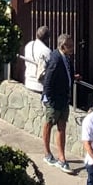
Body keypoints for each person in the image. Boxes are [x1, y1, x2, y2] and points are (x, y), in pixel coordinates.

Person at [39, 34, 75, 170]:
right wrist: (48, 98)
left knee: (62, 126)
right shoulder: (55, 59)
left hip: (64, 98)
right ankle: (47, 153)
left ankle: (61, 157)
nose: (72, 48)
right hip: (54, 99)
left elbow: (68, 72)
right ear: (63, 46)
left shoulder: (67, 58)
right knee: (49, 124)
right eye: (69, 46)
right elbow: (48, 80)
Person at [21, 25, 52, 93]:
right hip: (40, 86)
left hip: (28, 82)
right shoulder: (47, 51)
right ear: (47, 38)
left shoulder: (28, 45)